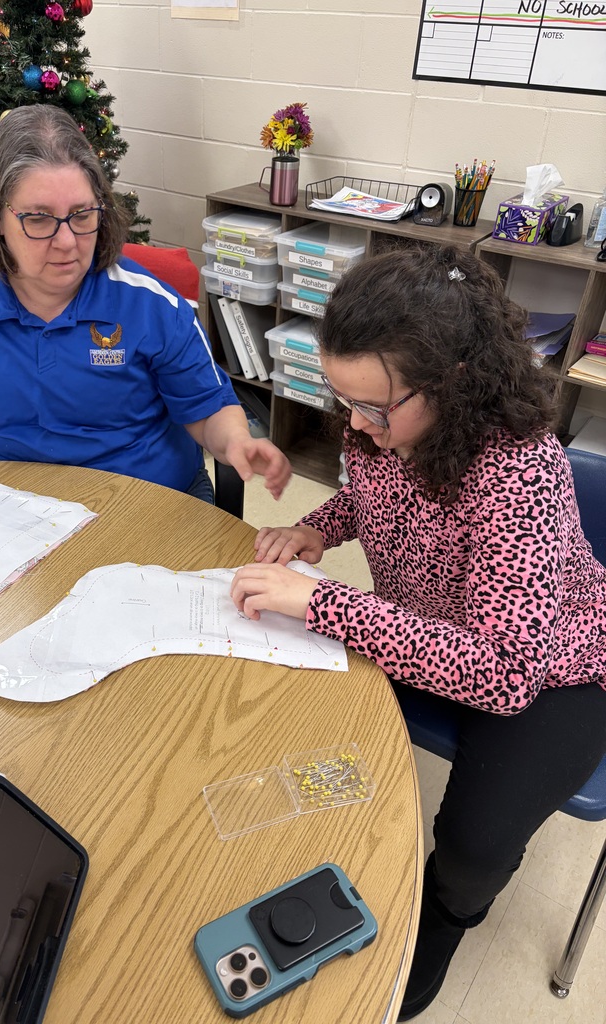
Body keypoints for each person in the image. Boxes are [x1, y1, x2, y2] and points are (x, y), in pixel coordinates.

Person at [229, 244, 606, 1020]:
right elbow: (370, 500)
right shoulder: (376, 423)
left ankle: (441, 926)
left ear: (456, 382)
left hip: (554, 665)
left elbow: (505, 674)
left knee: (471, 848)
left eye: (375, 408)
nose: (358, 428)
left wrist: (325, 604)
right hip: (427, 630)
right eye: (345, 402)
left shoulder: (519, 471)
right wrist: (314, 530)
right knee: (300, 712)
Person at [0, 105, 290, 502]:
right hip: (3, 508)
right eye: (38, 219)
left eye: (81, 215)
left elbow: (208, 410)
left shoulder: (151, 305)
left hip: (142, 505)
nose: (67, 243)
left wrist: (235, 443)